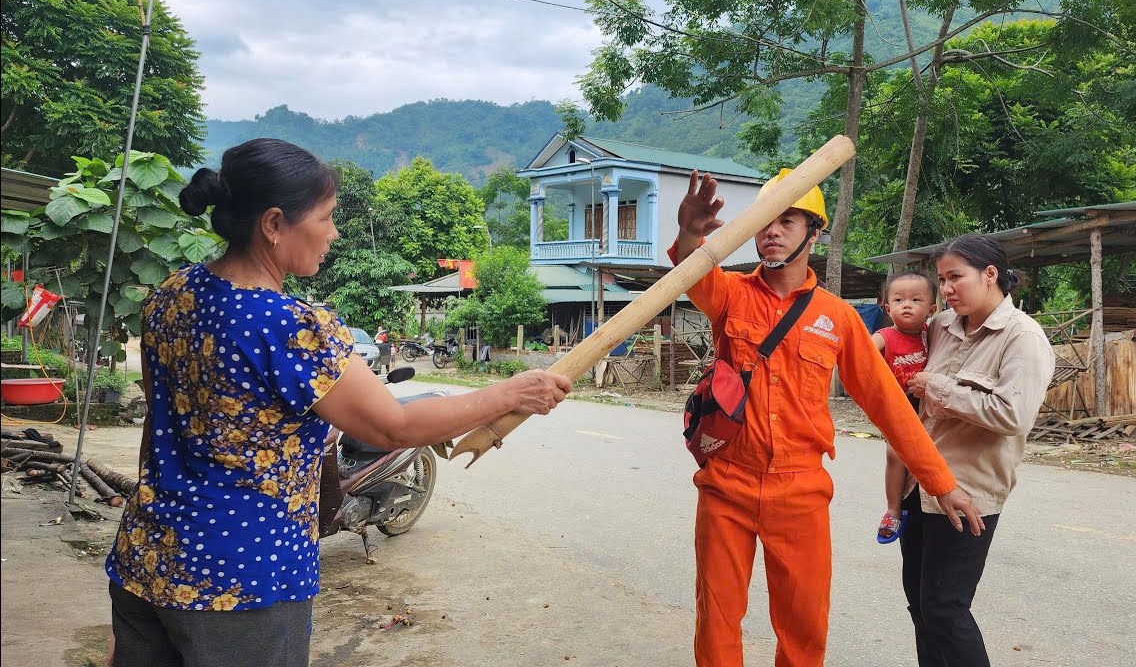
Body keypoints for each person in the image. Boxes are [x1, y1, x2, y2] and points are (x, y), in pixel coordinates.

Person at [103, 138, 572, 667]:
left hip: (147, 553)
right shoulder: (288, 326)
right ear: (274, 223)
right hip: (240, 580)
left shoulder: (172, 295)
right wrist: (511, 393)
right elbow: (394, 426)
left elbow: (161, 420)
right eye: (326, 218)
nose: (334, 233)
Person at [672, 169, 983, 667]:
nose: (772, 231)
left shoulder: (837, 317)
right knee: (717, 617)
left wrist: (941, 483)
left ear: (813, 233)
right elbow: (689, 271)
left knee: (804, 628)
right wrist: (690, 233)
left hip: (800, 492)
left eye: (788, 221)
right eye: (765, 220)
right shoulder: (729, 294)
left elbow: (888, 406)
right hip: (726, 483)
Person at [901, 234, 1054, 667]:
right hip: (919, 486)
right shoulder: (941, 326)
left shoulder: (1022, 337)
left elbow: (1013, 415)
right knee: (921, 606)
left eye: (955, 277)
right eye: (941, 279)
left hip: (968, 492)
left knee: (945, 610)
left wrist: (937, 386)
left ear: (990, 274)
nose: (946, 288)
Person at [870, 272, 937, 544]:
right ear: (888, 308)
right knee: (895, 454)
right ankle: (893, 510)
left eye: (916, 300)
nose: (906, 305)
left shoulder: (931, 334)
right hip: (898, 405)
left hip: (927, 403)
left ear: (932, 310)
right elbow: (861, 352)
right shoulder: (885, 336)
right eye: (898, 300)